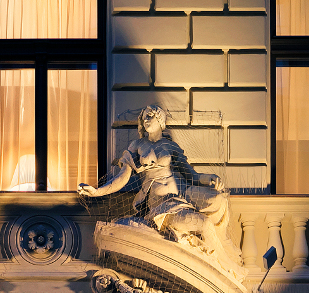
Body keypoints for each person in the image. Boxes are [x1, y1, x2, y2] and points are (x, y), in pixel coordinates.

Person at [77, 103, 232, 258]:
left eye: (150, 116)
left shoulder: (169, 145)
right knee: (204, 224)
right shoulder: (137, 145)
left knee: (218, 199)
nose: (146, 120)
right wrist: (97, 191)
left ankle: (223, 251)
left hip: (182, 192)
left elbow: (191, 175)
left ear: (160, 120)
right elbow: (122, 177)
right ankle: (226, 263)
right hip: (161, 201)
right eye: (144, 117)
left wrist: (209, 178)